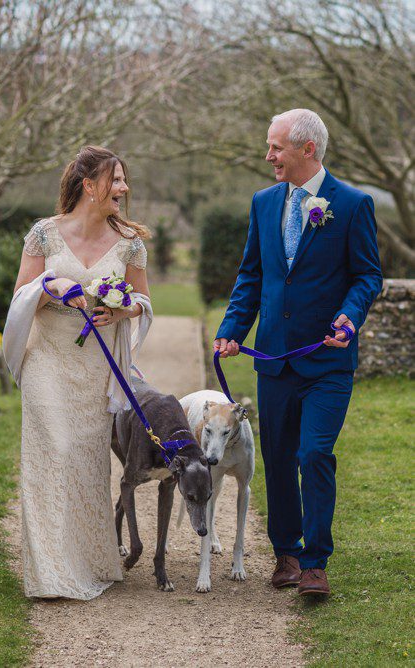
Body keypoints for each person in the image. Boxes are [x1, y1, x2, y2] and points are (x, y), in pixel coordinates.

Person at [214, 109, 382, 596]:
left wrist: (349, 317)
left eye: (275, 147)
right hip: (273, 359)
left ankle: (315, 563)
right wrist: (231, 329)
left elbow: (367, 275)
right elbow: (253, 274)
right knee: (280, 455)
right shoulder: (264, 203)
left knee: (314, 453)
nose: (268, 156)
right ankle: (285, 554)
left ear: (307, 149)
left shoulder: (352, 204)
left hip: (328, 360)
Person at [2, 146, 153, 599]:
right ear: (90, 186)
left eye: (125, 181)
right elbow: (20, 295)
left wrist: (120, 308)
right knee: (55, 450)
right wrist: (51, 287)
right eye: (117, 181)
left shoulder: (130, 242)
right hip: (47, 356)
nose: (124, 189)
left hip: (95, 366)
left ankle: (88, 560)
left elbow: (143, 302)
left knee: (87, 462)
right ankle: (49, 573)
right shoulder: (43, 235)